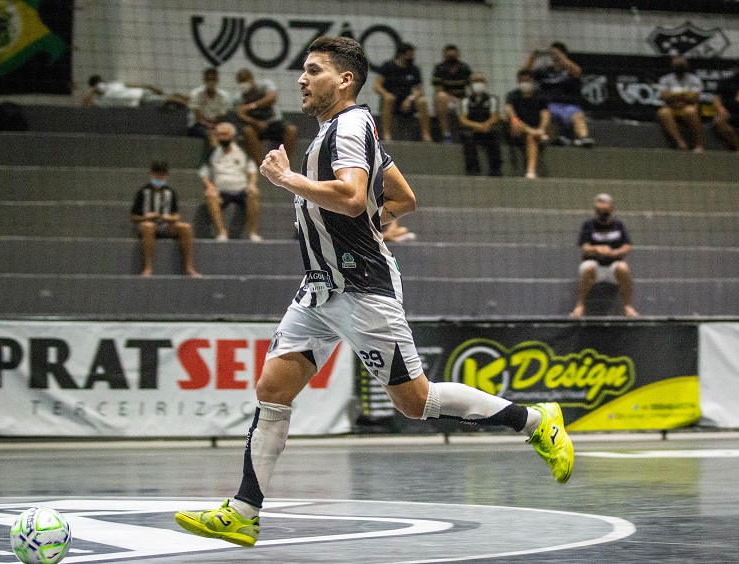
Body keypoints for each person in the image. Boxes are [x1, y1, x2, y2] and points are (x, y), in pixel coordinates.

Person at [174, 36, 574, 548]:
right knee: (272, 390)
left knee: (415, 402)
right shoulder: (346, 130)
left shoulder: (348, 126)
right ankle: (244, 511)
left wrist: (287, 179)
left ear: (344, 80)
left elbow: (350, 196)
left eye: (313, 69)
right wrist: (372, 226)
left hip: (362, 287)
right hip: (319, 289)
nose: (301, 78)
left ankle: (537, 422)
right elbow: (403, 199)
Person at [571, 193, 638, 318]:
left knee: (623, 267)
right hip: (594, 267)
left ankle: (628, 306)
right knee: (588, 267)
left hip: (612, 267)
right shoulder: (588, 225)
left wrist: (612, 253)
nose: (601, 214)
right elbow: (584, 247)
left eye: (605, 211)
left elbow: (627, 246)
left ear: (611, 209)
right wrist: (597, 249)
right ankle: (580, 306)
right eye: (598, 211)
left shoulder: (619, 225)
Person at [130, 160, 200, 277]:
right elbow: (133, 217)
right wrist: (146, 217)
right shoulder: (143, 192)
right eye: (157, 175)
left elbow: (176, 216)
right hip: (147, 226)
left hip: (165, 225)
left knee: (186, 227)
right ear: (151, 174)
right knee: (148, 226)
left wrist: (167, 218)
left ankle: (189, 267)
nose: (159, 178)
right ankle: (148, 268)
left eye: (162, 175)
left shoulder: (170, 192)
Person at [200, 122, 263, 242]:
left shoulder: (242, 151)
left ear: (232, 136)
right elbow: (204, 172)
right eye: (218, 135)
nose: (221, 137)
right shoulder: (212, 152)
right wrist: (209, 186)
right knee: (210, 195)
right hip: (221, 191)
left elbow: (252, 170)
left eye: (224, 134)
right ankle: (222, 232)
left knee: (254, 193)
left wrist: (252, 184)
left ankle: (253, 233)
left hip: (241, 190)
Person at [524, 42, 594, 146]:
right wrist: (533, 57)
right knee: (545, 114)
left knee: (578, 115)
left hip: (569, 106)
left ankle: (584, 138)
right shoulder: (545, 71)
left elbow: (578, 72)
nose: (554, 55)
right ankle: (555, 139)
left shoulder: (569, 70)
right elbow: (525, 74)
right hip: (550, 106)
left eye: (556, 53)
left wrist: (561, 57)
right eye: (552, 53)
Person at [235, 68, 298, 166]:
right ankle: (260, 164)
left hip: (274, 123)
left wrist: (251, 106)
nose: (243, 84)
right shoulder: (239, 97)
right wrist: (255, 123)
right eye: (241, 81)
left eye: (245, 80)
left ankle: (283, 163)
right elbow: (240, 114)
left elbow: (272, 98)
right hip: (257, 126)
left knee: (292, 130)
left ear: (251, 79)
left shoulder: (264, 85)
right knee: (247, 131)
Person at [374, 42, 432, 142]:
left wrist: (410, 99)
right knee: (389, 99)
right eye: (410, 54)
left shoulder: (414, 69)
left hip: (408, 101)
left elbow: (420, 90)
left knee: (422, 101)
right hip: (392, 101)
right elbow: (376, 86)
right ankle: (387, 135)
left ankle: (426, 135)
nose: (412, 57)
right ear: (401, 54)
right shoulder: (388, 66)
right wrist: (386, 94)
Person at [505, 68, 550, 179]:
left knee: (531, 137)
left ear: (532, 81)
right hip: (517, 128)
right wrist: (515, 121)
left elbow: (545, 114)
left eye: (527, 80)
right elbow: (508, 110)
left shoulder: (540, 95)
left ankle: (530, 171)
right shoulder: (512, 95)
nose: (524, 83)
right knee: (516, 123)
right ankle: (536, 133)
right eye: (521, 81)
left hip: (536, 129)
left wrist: (542, 128)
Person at [657, 56, 705, 152]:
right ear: (672, 65)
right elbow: (664, 97)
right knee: (663, 112)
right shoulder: (665, 79)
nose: (679, 66)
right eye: (677, 64)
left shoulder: (694, 79)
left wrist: (673, 96)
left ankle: (698, 145)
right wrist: (684, 95)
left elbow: (694, 97)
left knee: (690, 111)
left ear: (686, 65)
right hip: (671, 108)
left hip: (688, 107)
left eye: (681, 64)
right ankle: (680, 143)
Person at [458, 72, 502, 176]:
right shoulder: (465, 100)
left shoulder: (492, 99)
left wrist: (486, 125)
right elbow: (463, 119)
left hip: (488, 128)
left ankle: (495, 169)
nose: (478, 84)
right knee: (467, 137)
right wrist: (478, 126)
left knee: (495, 134)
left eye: (481, 81)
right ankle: (473, 169)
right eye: (475, 81)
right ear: (470, 84)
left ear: (485, 83)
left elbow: (495, 116)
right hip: (472, 129)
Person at [432, 44, 472, 143]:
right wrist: (453, 99)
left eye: (453, 56)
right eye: (449, 56)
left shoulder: (465, 68)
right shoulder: (439, 68)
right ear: (444, 56)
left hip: (462, 100)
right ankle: (446, 135)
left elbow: (471, 87)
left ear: (458, 55)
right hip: (447, 101)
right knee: (441, 97)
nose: (451, 58)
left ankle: (468, 133)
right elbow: (439, 90)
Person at [82, 75, 188, 108]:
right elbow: (84, 106)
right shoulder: (100, 101)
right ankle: (190, 104)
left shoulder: (112, 85)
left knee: (170, 98)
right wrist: (91, 91)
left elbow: (130, 84)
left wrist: (151, 87)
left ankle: (190, 104)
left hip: (141, 95)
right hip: (138, 101)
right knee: (169, 100)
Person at [188, 67, 233, 144]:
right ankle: (218, 154)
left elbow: (221, 117)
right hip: (197, 125)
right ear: (204, 80)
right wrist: (209, 125)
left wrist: (215, 125)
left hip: (216, 124)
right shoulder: (196, 94)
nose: (211, 82)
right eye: (208, 79)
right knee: (212, 133)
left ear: (217, 80)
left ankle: (233, 155)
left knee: (228, 132)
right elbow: (198, 118)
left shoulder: (224, 96)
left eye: (213, 79)